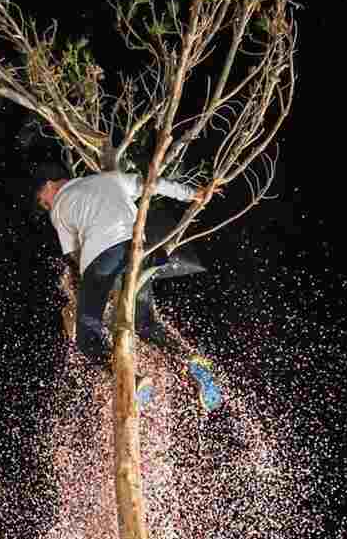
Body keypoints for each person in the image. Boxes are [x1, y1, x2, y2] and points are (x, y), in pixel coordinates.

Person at [32, 167, 225, 411]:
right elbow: (151, 184)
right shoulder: (109, 178)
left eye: (43, 202)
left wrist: (93, 292)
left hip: (102, 260)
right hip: (136, 253)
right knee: (145, 323)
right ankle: (191, 360)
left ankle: (132, 381)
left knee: (86, 334)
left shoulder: (59, 209)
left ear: (50, 186)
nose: (47, 206)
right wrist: (192, 194)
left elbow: (74, 254)